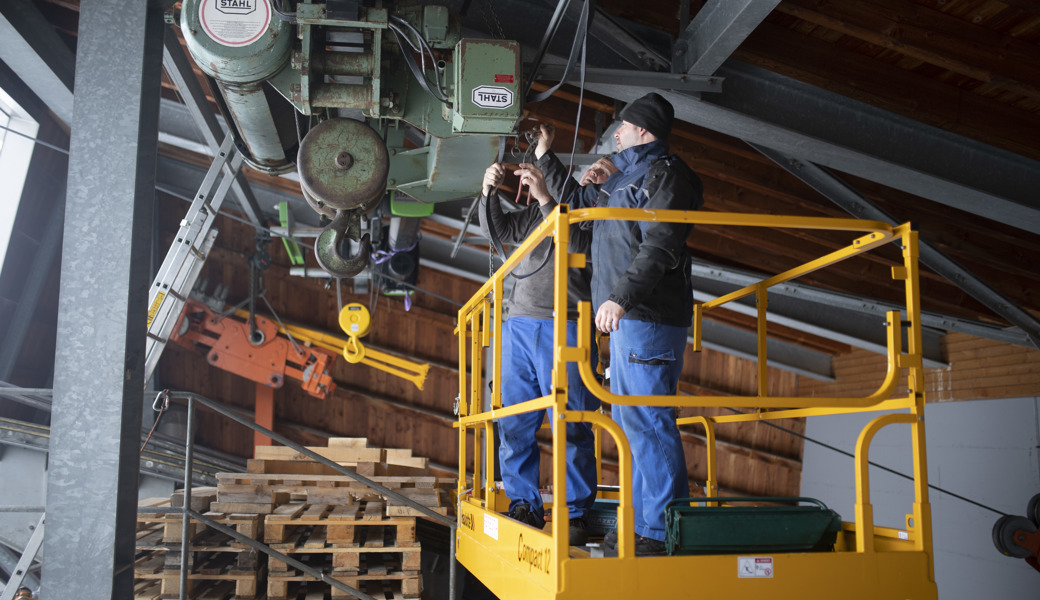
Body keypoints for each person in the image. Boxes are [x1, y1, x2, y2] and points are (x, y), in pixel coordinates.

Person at [535, 92, 704, 555]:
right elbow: (575, 200)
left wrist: (619, 298)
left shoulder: (663, 175)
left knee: (648, 421)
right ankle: (646, 524)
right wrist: (544, 157)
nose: (616, 134)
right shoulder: (626, 177)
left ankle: (661, 530)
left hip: (646, 316)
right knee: (633, 422)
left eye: (623, 127)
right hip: (630, 319)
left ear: (643, 131)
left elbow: (660, 244)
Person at [477, 126, 603, 546]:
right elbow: (500, 235)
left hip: (568, 323)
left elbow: (575, 236)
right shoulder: (540, 212)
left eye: (601, 170)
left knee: (571, 424)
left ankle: (577, 512)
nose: (591, 174)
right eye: (590, 170)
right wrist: (488, 194)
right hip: (518, 326)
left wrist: (549, 191)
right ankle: (524, 503)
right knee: (515, 420)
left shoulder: (594, 212)